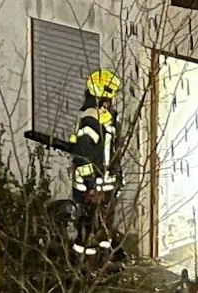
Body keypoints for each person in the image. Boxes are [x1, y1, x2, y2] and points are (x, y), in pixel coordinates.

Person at [66, 68, 121, 259]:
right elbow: (83, 155)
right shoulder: (90, 120)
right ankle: (83, 265)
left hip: (106, 185)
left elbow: (111, 151)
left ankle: (104, 259)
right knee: (87, 227)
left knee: (104, 225)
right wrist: (90, 186)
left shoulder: (107, 119)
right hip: (90, 187)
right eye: (109, 98)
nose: (111, 102)